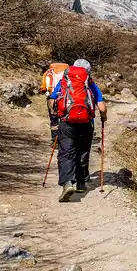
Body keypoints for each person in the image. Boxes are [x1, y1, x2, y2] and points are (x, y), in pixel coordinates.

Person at [47, 59, 107, 202]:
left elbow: (52, 101)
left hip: (67, 123)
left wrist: (54, 112)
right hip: (86, 124)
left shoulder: (64, 82)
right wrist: (103, 118)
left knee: (66, 153)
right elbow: (102, 108)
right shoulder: (91, 84)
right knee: (82, 152)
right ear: (88, 71)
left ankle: (68, 183)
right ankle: (81, 184)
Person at [40, 62, 69, 141]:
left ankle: (55, 138)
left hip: (51, 98)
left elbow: (45, 88)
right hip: (65, 99)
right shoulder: (67, 74)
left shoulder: (49, 74)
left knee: (53, 119)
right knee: (64, 119)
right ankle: (64, 139)